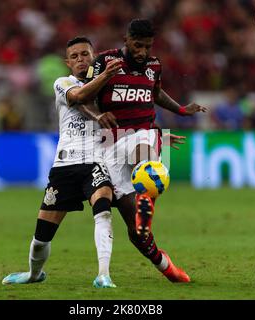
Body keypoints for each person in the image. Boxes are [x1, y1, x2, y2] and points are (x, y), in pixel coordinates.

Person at [75, 19, 207, 282]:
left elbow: (155, 93)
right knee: (138, 233)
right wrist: (99, 115)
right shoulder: (103, 62)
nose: (142, 52)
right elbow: (82, 98)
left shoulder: (154, 66)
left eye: (147, 47)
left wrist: (181, 110)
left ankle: (146, 195)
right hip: (110, 143)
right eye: (137, 46)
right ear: (126, 40)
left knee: (146, 153)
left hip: (143, 132)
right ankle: (166, 266)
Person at [2, 37, 122, 288]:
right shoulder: (63, 83)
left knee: (103, 210)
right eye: (75, 56)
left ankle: (104, 275)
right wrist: (106, 75)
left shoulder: (107, 88)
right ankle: (34, 274)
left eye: (85, 55)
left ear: (94, 56)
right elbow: (79, 96)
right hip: (65, 167)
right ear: (68, 63)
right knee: (42, 236)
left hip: (95, 162)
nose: (80, 60)